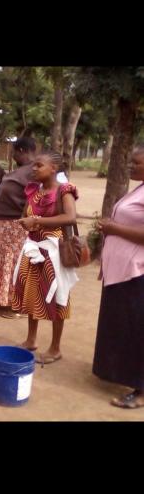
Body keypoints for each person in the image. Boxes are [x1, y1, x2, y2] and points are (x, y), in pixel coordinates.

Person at [12, 151, 79, 364]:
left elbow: (70, 217)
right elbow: (27, 214)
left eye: (39, 165)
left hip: (53, 250)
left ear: (53, 169)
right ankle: (31, 339)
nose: (34, 169)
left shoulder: (64, 191)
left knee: (58, 296)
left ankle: (55, 347)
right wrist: (27, 221)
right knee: (32, 292)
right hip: (34, 249)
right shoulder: (34, 190)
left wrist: (37, 221)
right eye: (33, 165)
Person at [92, 144, 144, 409]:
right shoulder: (139, 189)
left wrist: (115, 228)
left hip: (137, 271)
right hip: (121, 271)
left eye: (136, 163)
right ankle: (117, 371)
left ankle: (141, 390)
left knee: (137, 329)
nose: (131, 167)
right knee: (121, 326)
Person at [0, 137, 36, 318]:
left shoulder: (33, 170)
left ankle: (16, 304)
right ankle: (5, 300)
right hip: (3, 225)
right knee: (4, 262)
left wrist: (24, 218)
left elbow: (31, 197)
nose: (13, 155)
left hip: (15, 225)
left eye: (14, 151)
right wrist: (1, 175)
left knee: (14, 263)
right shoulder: (21, 170)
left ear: (21, 150)